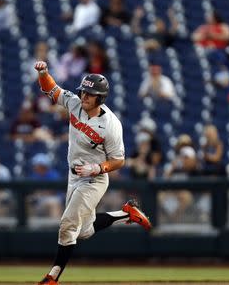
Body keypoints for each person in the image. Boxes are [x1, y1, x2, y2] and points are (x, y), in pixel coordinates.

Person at [34, 61, 152, 285]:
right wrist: (43, 73)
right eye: (83, 91)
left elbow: (119, 160)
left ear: (101, 98)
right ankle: (128, 213)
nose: (84, 96)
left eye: (90, 94)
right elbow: (52, 89)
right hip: (74, 176)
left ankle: (52, 277)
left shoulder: (111, 125)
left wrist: (98, 167)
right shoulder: (75, 103)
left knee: (68, 225)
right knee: (83, 232)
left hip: (95, 179)